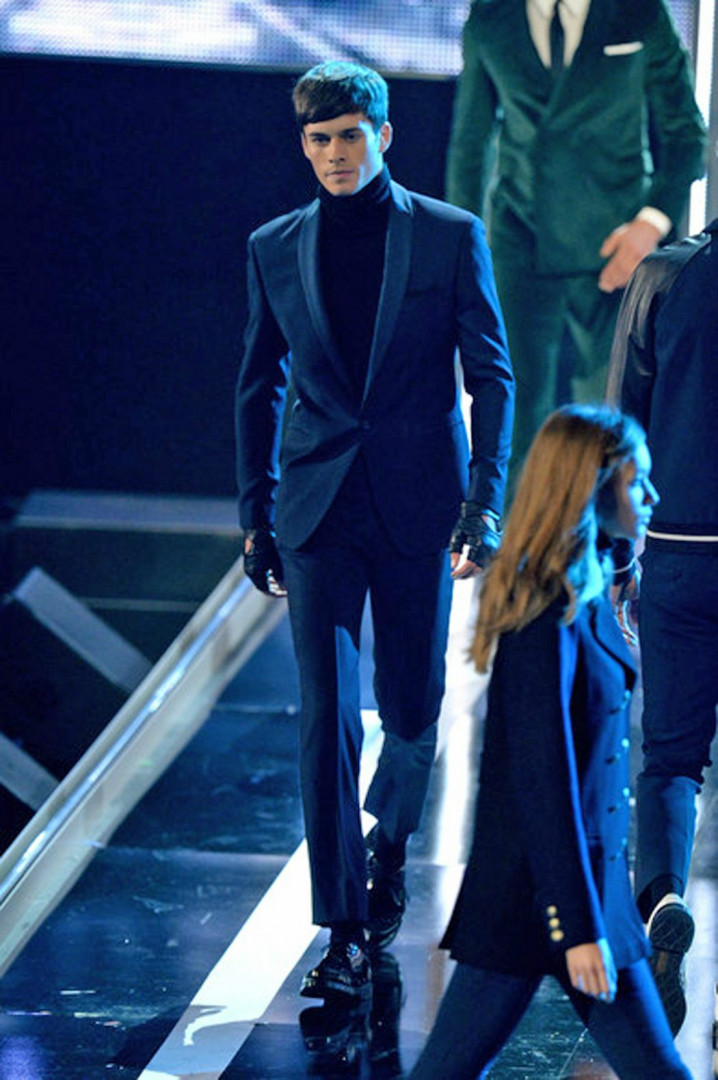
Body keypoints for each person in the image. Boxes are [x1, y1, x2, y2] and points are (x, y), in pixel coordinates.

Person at [235, 60, 514, 1002]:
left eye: (350, 136)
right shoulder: (274, 245)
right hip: (316, 510)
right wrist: (254, 513)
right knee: (324, 715)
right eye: (319, 140)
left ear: (383, 136)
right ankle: (345, 929)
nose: (335, 154)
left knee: (411, 706)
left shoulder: (449, 235)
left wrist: (484, 503)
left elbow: (492, 377)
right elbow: (257, 384)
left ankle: (387, 845)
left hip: (417, 502)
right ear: (303, 145)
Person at [408, 404, 692, 1079]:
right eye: (637, 481)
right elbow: (543, 781)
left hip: (591, 894)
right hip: (533, 902)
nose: (653, 497)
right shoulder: (545, 611)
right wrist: (576, 926)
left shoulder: (585, 588)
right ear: (591, 486)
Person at [446, 0, 707, 486]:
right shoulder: (491, 15)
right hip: (519, 238)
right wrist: (460, 254)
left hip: (617, 243)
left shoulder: (639, 11)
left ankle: (612, 533)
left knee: (611, 416)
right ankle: (510, 531)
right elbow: (470, 144)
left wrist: (648, 227)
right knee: (510, 412)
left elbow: (687, 135)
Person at [606, 218, 718, 1035]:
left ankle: (663, 898)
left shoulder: (663, 275)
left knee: (671, 757)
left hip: (678, 552)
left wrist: (618, 557)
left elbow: (621, 427)